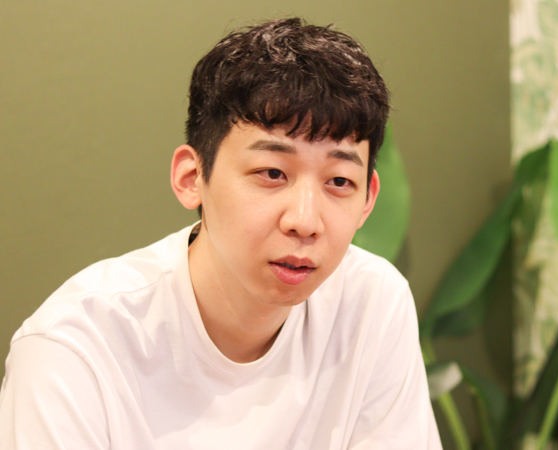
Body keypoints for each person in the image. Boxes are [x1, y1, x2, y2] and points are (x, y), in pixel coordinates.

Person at [0, 18, 441, 449]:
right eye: (272, 173)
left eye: (339, 181)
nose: (305, 221)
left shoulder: (372, 304)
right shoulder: (75, 350)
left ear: (368, 199)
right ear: (192, 177)